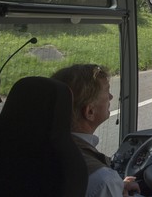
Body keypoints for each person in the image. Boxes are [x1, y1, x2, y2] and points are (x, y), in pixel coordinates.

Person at [52, 64, 140, 197]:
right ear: (90, 111)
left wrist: (116, 187)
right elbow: (99, 184)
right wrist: (112, 187)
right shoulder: (102, 180)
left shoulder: (36, 144)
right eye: (107, 91)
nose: (111, 97)